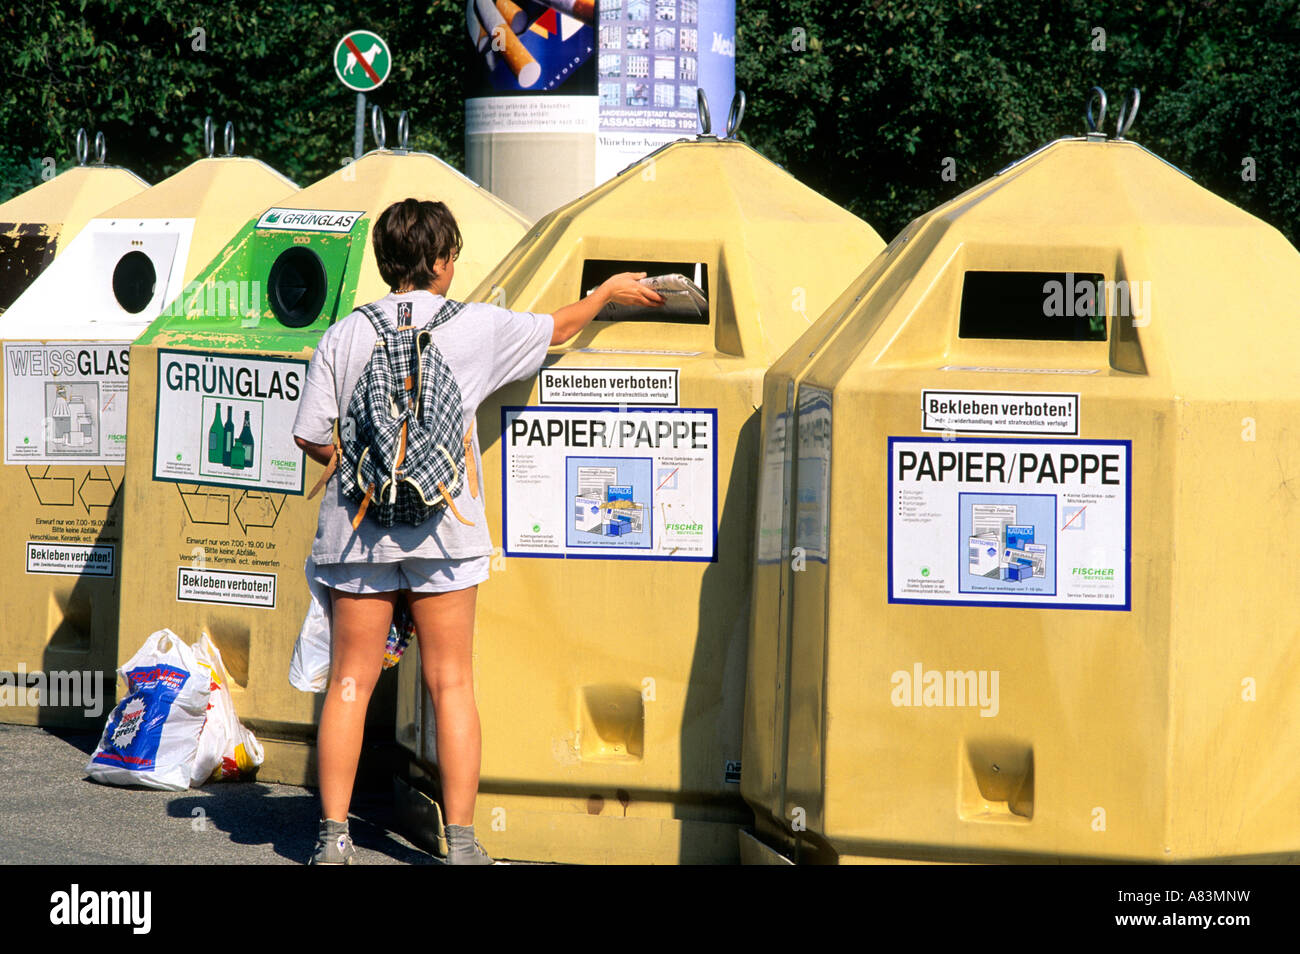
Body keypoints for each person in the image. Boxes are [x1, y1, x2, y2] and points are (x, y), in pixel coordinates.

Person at [291, 197, 663, 865]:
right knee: (452, 682)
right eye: (451, 253)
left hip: (357, 534)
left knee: (350, 682)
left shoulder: (344, 334)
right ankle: (460, 845)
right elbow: (559, 327)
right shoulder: (479, 327)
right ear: (441, 261)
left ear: (385, 262)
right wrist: (606, 292)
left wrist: (376, 473)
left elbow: (311, 437)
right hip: (446, 532)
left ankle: (334, 838)